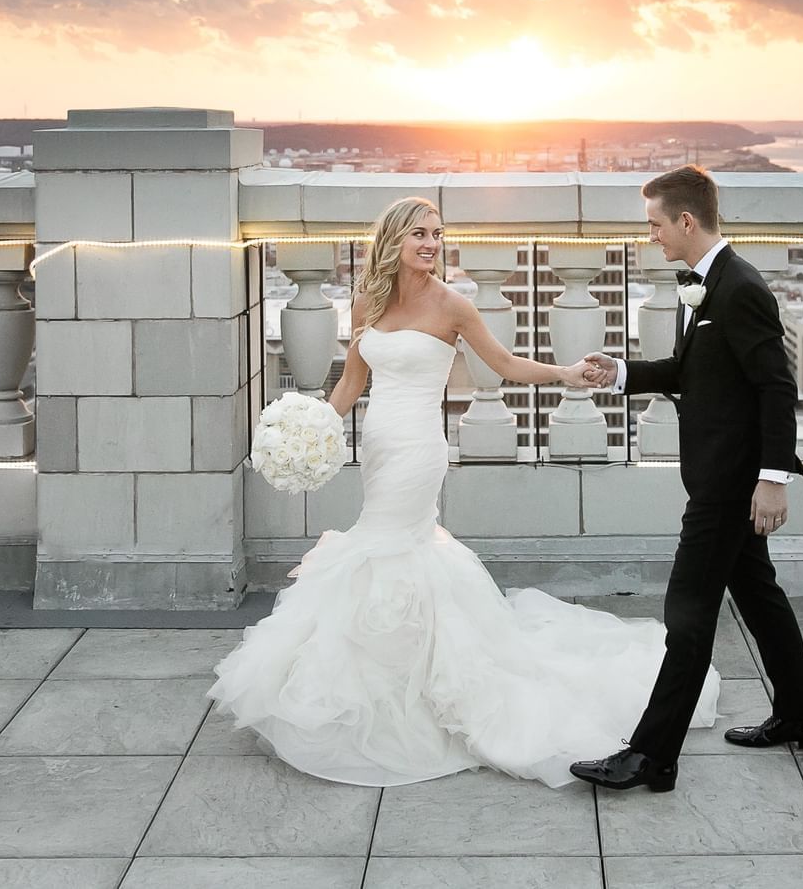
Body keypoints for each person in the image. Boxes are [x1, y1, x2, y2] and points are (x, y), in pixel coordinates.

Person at [208, 196, 720, 788]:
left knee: (392, 545)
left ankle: (412, 692)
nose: (431, 243)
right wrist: (308, 427)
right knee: (383, 545)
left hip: (420, 452)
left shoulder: (453, 304)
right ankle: (386, 678)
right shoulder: (369, 301)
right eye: (420, 234)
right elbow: (351, 382)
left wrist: (564, 375)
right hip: (379, 446)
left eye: (437, 234)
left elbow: (502, 364)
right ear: (394, 240)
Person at [569, 165, 803, 794]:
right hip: (719, 477)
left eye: (655, 224)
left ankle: (652, 756)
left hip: (728, 487)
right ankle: (802, 716)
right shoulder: (704, 286)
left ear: (686, 220)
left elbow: (776, 388)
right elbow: (690, 372)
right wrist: (621, 372)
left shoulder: (739, 288)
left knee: (686, 618)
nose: (649, 235)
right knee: (759, 596)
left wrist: (773, 479)